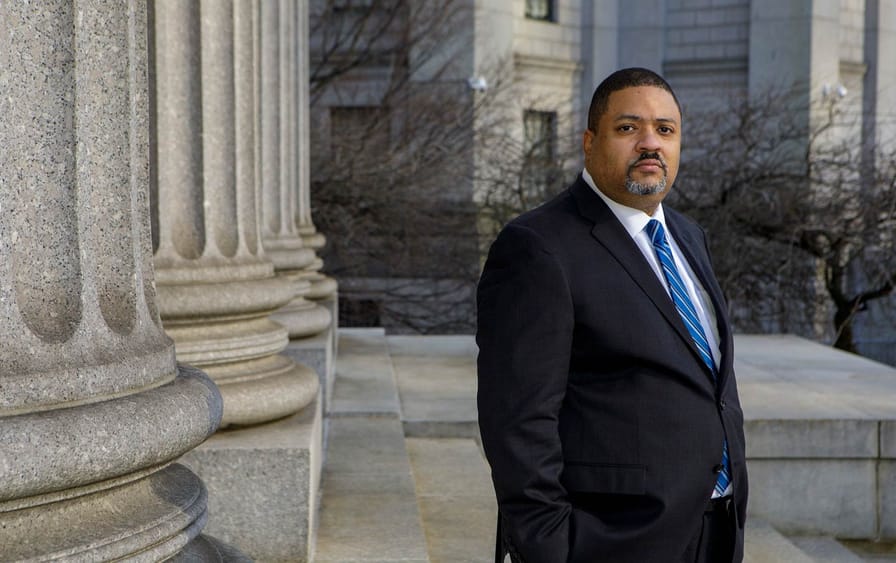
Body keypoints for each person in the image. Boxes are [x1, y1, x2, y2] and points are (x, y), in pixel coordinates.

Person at [476, 68, 747, 562]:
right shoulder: (537, 247)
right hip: (611, 540)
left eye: (665, 129)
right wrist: (552, 547)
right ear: (589, 142)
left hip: (714, 531)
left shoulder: (689, 237)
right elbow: (517, 421)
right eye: (628, 128)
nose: (650, 143)